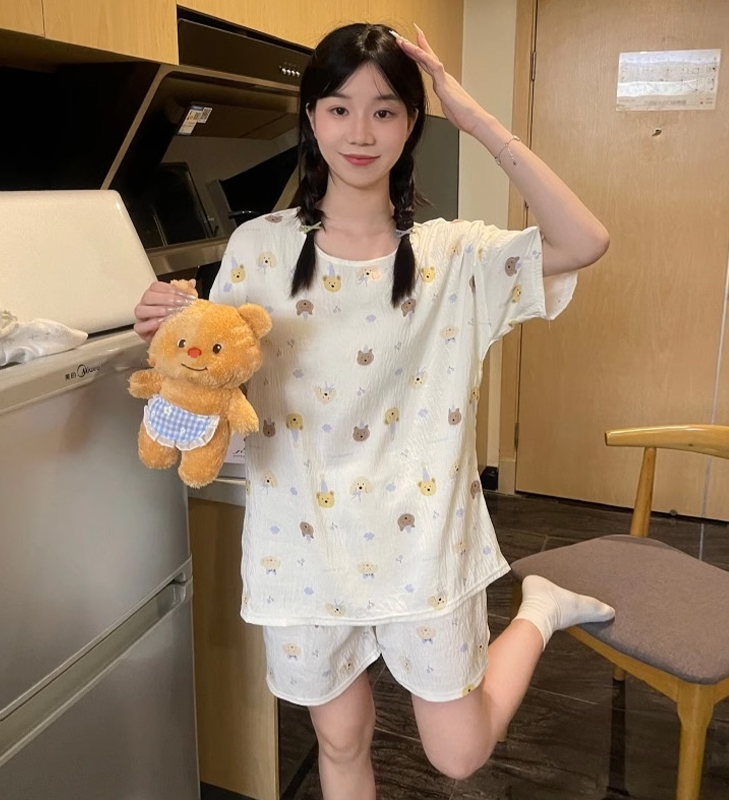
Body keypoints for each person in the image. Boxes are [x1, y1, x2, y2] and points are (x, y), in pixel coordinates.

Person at [134, 22, 614, 800]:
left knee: (459, 754)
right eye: (339, 108)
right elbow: (215, 372)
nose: (360, 133)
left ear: (412, 123)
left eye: (385, 110)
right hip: (302, 546)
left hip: (424, 546)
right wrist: (164, 333)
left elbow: (585, 239)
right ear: (311, 118)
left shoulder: (454, 255)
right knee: (340, 738)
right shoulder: (258, 247)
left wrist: (477, 120)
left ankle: (541, 609)